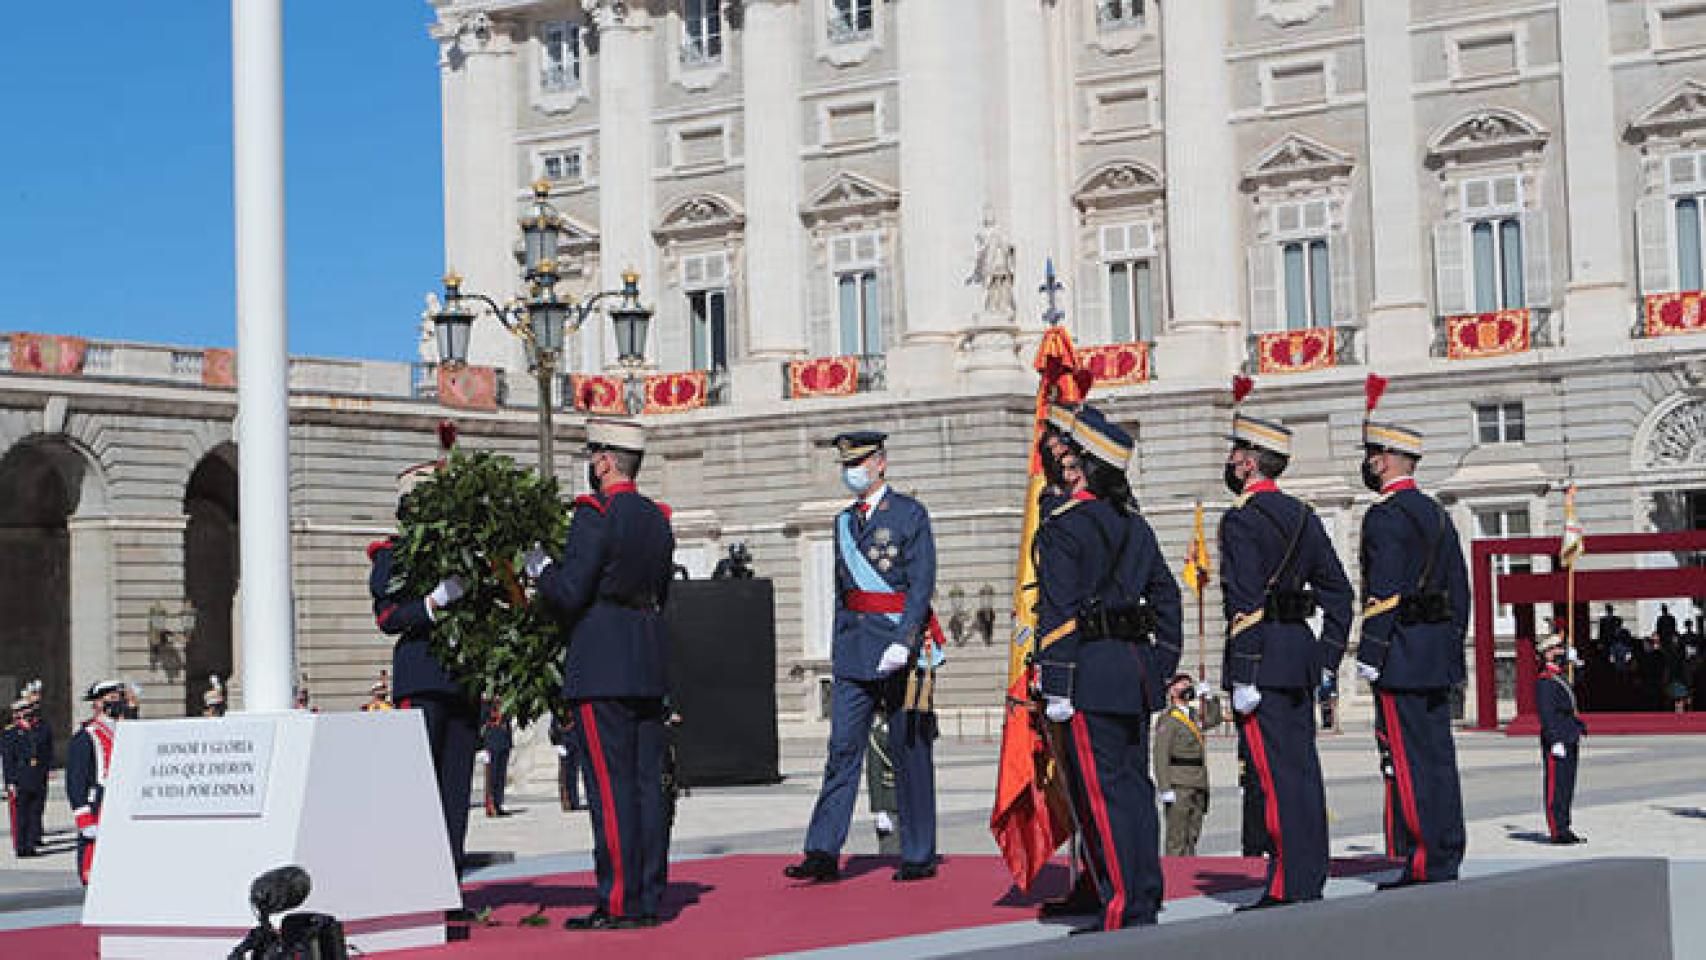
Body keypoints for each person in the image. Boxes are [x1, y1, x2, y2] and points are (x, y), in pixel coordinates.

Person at [1034, 405, 1182, 932]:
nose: (1065, 466)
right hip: (1135, 671)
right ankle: (1145, 889)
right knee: (1135, 789)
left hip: (1088, 674)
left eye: (1073, 459)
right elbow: (1167, 597)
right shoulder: (1135, 526)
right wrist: (1162, 662)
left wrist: (1056, 682)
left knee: (1102, 795)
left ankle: (1122, 902)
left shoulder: (1065, 527)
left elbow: (1057, 609)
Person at [529, 418, 676, 930]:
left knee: (610, 789)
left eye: (594, 457)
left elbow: (571, 593)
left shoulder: (595, 515)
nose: (592, 466)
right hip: (647, 658)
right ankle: (649, 894)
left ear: (606, 461)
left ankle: (618, 902)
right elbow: (664, 593)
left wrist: (540, 570)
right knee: (646, 787)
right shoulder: (659, 519)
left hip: (601, 663)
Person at [786, 430, 942, 885]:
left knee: (908, 749)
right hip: (854, 653)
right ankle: (822, 849)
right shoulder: (842, 523)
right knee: (841, 750)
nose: (851, 472)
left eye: (859, 462)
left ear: (881, 464)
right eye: (846, 464)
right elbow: (842, 596)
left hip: (898, 649)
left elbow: (921, 583)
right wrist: (838, 651)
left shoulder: (910, 514)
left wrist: (907, 639)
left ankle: (917, 852)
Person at [1219, 410, 1353, 910]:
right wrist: (1326, 656)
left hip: (1264, 661)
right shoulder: (1303, 516)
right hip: (1298, 654)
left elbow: (1246, 599)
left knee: (1273, 775)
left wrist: (1246, 669)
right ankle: (1308, 873)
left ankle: (1286, 882)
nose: (1230, 461)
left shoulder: (1241, 520)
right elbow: (1339, 594)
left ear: (1250, 463)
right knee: (1302, 771)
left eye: (1236, 453)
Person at [1352, 413, 1469, 888]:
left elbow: (1385, 590)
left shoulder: (1385, 516)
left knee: (1409, 761)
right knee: (1440, 758)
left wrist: (1371, 651)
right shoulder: (1437, 514)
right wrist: (1448, 645)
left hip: (1400, 656)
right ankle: (1447, 851)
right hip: (1436, 654)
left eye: (1369, 456)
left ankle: (1423, 859)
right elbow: (1460, 593)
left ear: (1381, 461)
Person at [369, 459, 476, 875]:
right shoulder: (393, 557)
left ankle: (450, 879)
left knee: (455, 788)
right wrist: (431, 604)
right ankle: (416, 877)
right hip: (423, 675)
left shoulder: (463, 552)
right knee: (422, 786)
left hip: (464, 678)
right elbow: (387, 617)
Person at [1153, 673, 1223, 857]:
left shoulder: (1193, 715)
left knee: (1193, 834)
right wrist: (1164, 787)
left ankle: (1189, 871)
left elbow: (1214, 719)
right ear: (1172, 690)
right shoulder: (1168, 719)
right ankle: (1174, 876)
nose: (1188, 687)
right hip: (1179, 783)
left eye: (1189, 684)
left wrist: (1208, 698)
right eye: (1183, 684)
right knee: (1177, 837)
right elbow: (1160, 754)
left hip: (1198, 781)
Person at [67, 680, 125, 885]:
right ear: (98, 703)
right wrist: (84, 819)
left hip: (120, 800)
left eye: (119, 697)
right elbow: (76, 780)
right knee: (92, 857)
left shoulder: (124, 731)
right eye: (111, 698)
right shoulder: (86, 736)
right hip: (97, 801)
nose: (117, 702)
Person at [1536, 635, 1587, 844]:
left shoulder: (1560, 676)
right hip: (1558, 736)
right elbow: (1547, 714)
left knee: (1567, 784)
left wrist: (1578, 664)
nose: (1561, 651)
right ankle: (1557, 829)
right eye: (1557, 648)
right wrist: (1554, 740)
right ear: (1547, 653)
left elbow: (1579, 687)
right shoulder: (1545, 681)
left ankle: (1565, 826)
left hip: (1569, 734)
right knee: (1556, 786)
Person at [2, 697, 51, 858]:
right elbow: (8, 760)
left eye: (28, 710)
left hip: (37, 775)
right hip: (20, 777)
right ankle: (21, 846)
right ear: (17, 714)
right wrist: (10, 782)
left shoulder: (41, 729)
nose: (26, 714)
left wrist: (46, 770)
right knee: (21, 814)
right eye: (22, 711)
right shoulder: (11, 733)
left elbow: (46, 752)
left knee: (35, 812)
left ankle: (31, 844)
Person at [864, 712, 901, 855]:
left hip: (910, 800)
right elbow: (874, 775)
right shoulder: (876, 736)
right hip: (889, 800)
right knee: (890, 850)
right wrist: (879, 809)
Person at [481, 704, 513, 818]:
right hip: (492, 742)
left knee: (501, 776)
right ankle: (490, 805)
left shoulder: (507, 700)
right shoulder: (487, 703)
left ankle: (498, 803)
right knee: (492, 776)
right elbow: (482, 721)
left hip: (504, 741)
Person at [548, 711, 584, 812]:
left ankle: (574, 800)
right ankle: (566, 801)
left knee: (573, 772)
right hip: (564, 741)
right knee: (565, 774)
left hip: (575, 741)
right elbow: (554, 726)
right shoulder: (558, 710)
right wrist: (557, 742)